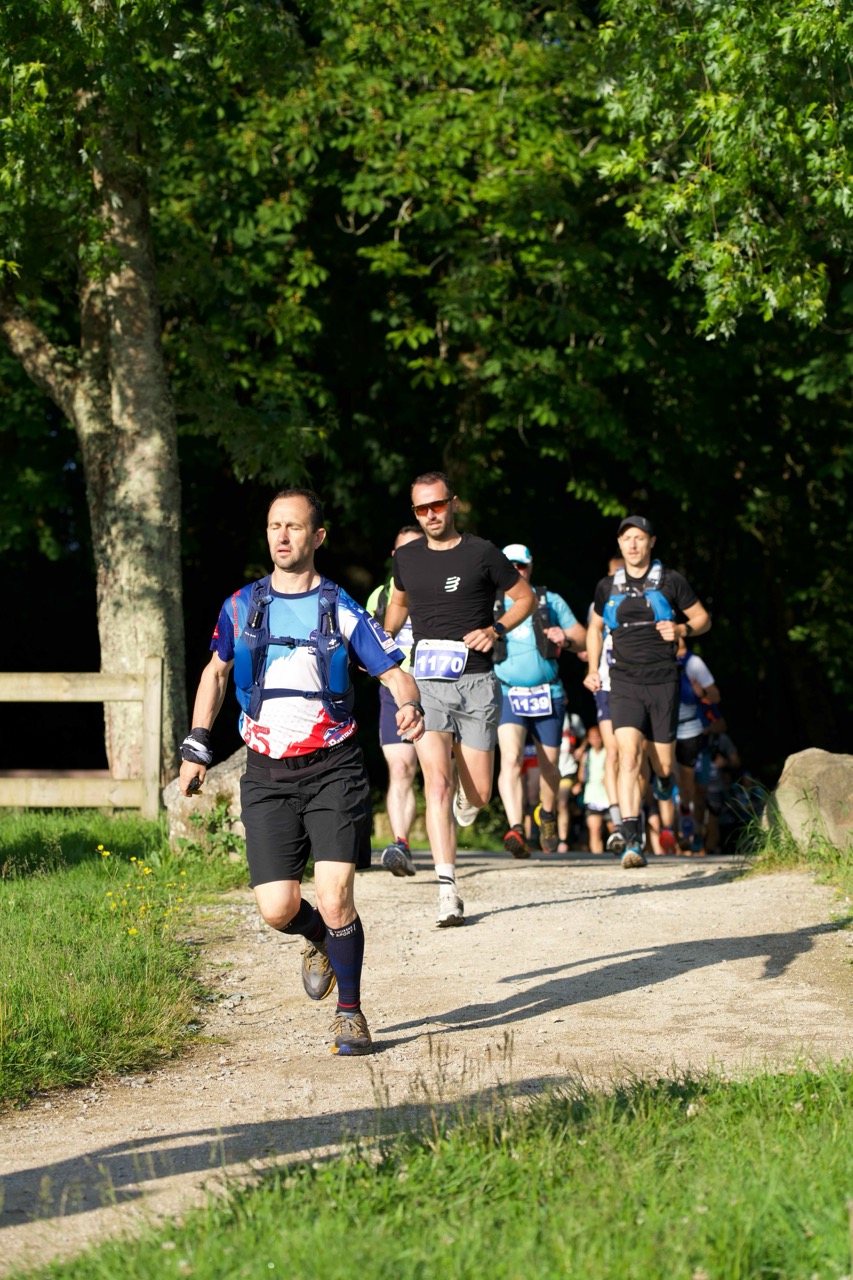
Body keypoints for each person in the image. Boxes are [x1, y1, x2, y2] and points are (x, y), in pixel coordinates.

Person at [178, 489, 425, 1057]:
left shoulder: (341, 607)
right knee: (277, 909)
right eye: (274, 526)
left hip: (333, 768)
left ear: (318, 537)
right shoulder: (241, 606)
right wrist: (197, 745)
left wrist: (409, 704)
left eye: (294, 526)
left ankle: (351, 1014)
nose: (282, 536)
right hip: (266, 775)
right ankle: (316, 938)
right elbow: (216, 674)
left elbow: (394, 673)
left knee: (335, 897)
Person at [382, 471, 535, 926]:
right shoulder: (407, 558)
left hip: (476, 683)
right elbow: (398, 605)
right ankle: (447, 890)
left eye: (437, 505)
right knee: (437, 783)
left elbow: (524, 598)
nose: (431, 514)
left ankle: (468, 802)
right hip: (426, 685)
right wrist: (382, 644)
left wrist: (496, 629)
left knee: (480, 794)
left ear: (453, 504)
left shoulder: (481, 552)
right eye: (421, 508)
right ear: (415, 512)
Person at [584, 515, 711, 870]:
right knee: (628, 756)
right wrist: (593, 669)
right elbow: (594, 628)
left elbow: (703, 619)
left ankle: (663, 784)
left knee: (663, 765)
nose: (633, 544)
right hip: (623, 681)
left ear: (651, 542)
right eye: (627, 538)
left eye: (639, 538)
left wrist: (681, 629)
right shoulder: (607, 586)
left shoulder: (671, 581)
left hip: (663, 681)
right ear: (619, 544)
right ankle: (632, 840)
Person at [493, 543, 586, 858]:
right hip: (508, 692)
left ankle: (546, 814)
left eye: (521, 565)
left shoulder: (550, 600)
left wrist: (566, 639)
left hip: (548, 693)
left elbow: (583, 639)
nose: (516, 571)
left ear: (530, 567)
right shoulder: (491, 602)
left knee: (549, 765)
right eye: (510, 566)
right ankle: (516, 828)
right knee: (511, 758)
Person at [366, 525, 425, 877]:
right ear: (394, 556)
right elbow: (367, 645)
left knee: (441, 775)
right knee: (401, 769)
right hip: (396, 693)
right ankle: (401, 844)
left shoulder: (441, 588)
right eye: (404, 551)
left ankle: (446, 843)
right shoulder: (380, 597)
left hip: (439, 689)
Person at [674, 634, 721, 854]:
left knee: (698, 791)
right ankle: (683, 825)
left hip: (693, 732)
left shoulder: (694, 663)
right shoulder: (655, 655)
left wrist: (700, 693)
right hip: (667, 730)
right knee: (675, 781)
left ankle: (697, 833)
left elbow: (715, 696)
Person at [577, 723, 611, 853]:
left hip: (608, 796)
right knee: (594, 830)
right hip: (592, 796)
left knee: (613, 829)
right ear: (589, 739)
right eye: (593, 737)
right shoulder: (586, 755)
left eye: (598, 737)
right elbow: (581, 777)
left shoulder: (609, 752)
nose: (596, 740)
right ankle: (598, 857)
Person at [556, 710, 586, 852]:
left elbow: (585, 737)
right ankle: (548, 838)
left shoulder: (573, 719)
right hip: (550, 769)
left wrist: (581, 749)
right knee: (548, 804)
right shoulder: (544, 717)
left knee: (562, 803)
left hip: (568, 769)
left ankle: (563, 840)